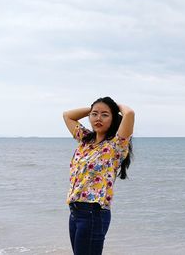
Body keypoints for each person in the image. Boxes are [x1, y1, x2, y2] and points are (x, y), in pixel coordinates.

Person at [63, 97, 135, 255]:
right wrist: (94, 109)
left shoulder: (116, 145)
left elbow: (129, 113)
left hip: (93, 213)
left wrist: (114, 106)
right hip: (75, 212)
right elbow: (67, 115)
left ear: (114, 118)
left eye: (105, 115)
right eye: (94, 114)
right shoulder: (85, 140)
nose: (98, 118)